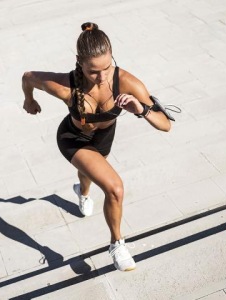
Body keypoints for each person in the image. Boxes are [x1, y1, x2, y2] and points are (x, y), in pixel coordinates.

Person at [22, 22, 171, 272]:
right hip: (72, 138)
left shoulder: (127, 82)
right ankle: (117, 244)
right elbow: (28, 77)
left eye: (107, 66)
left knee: (90, 171)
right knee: (115, 188)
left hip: (103, 138)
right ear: (79, 62)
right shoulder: (65, 86)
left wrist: (141, 110)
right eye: (93, 71)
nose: (102, 77)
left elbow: (165, 125)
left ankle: (82, 190)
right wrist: (29, 99)